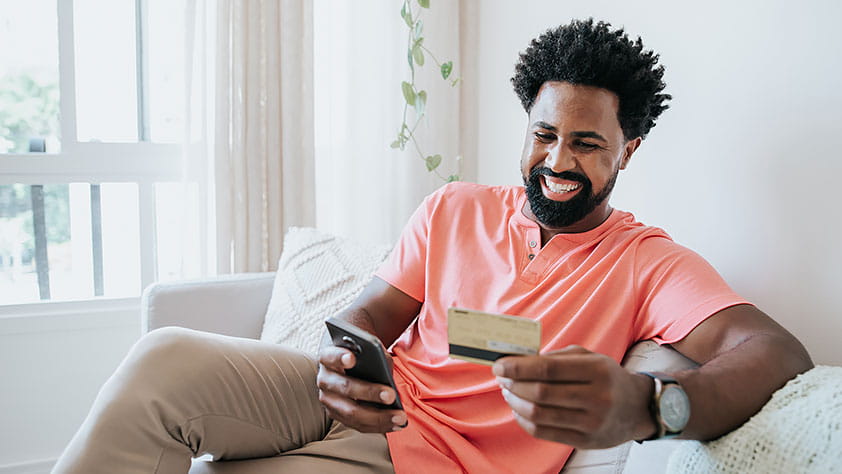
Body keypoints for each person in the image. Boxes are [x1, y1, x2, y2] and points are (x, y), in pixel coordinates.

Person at [53, 19, 813, 474]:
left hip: (435, 460)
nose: (556, 161)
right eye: (544, 134)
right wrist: (347, 357)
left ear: (629, 151)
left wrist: (652, 406)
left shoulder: (648, 261)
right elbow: (374, 310)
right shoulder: (454, 208)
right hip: (367, 403)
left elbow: (774, 351)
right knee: (163, 359)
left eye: (586, 144)